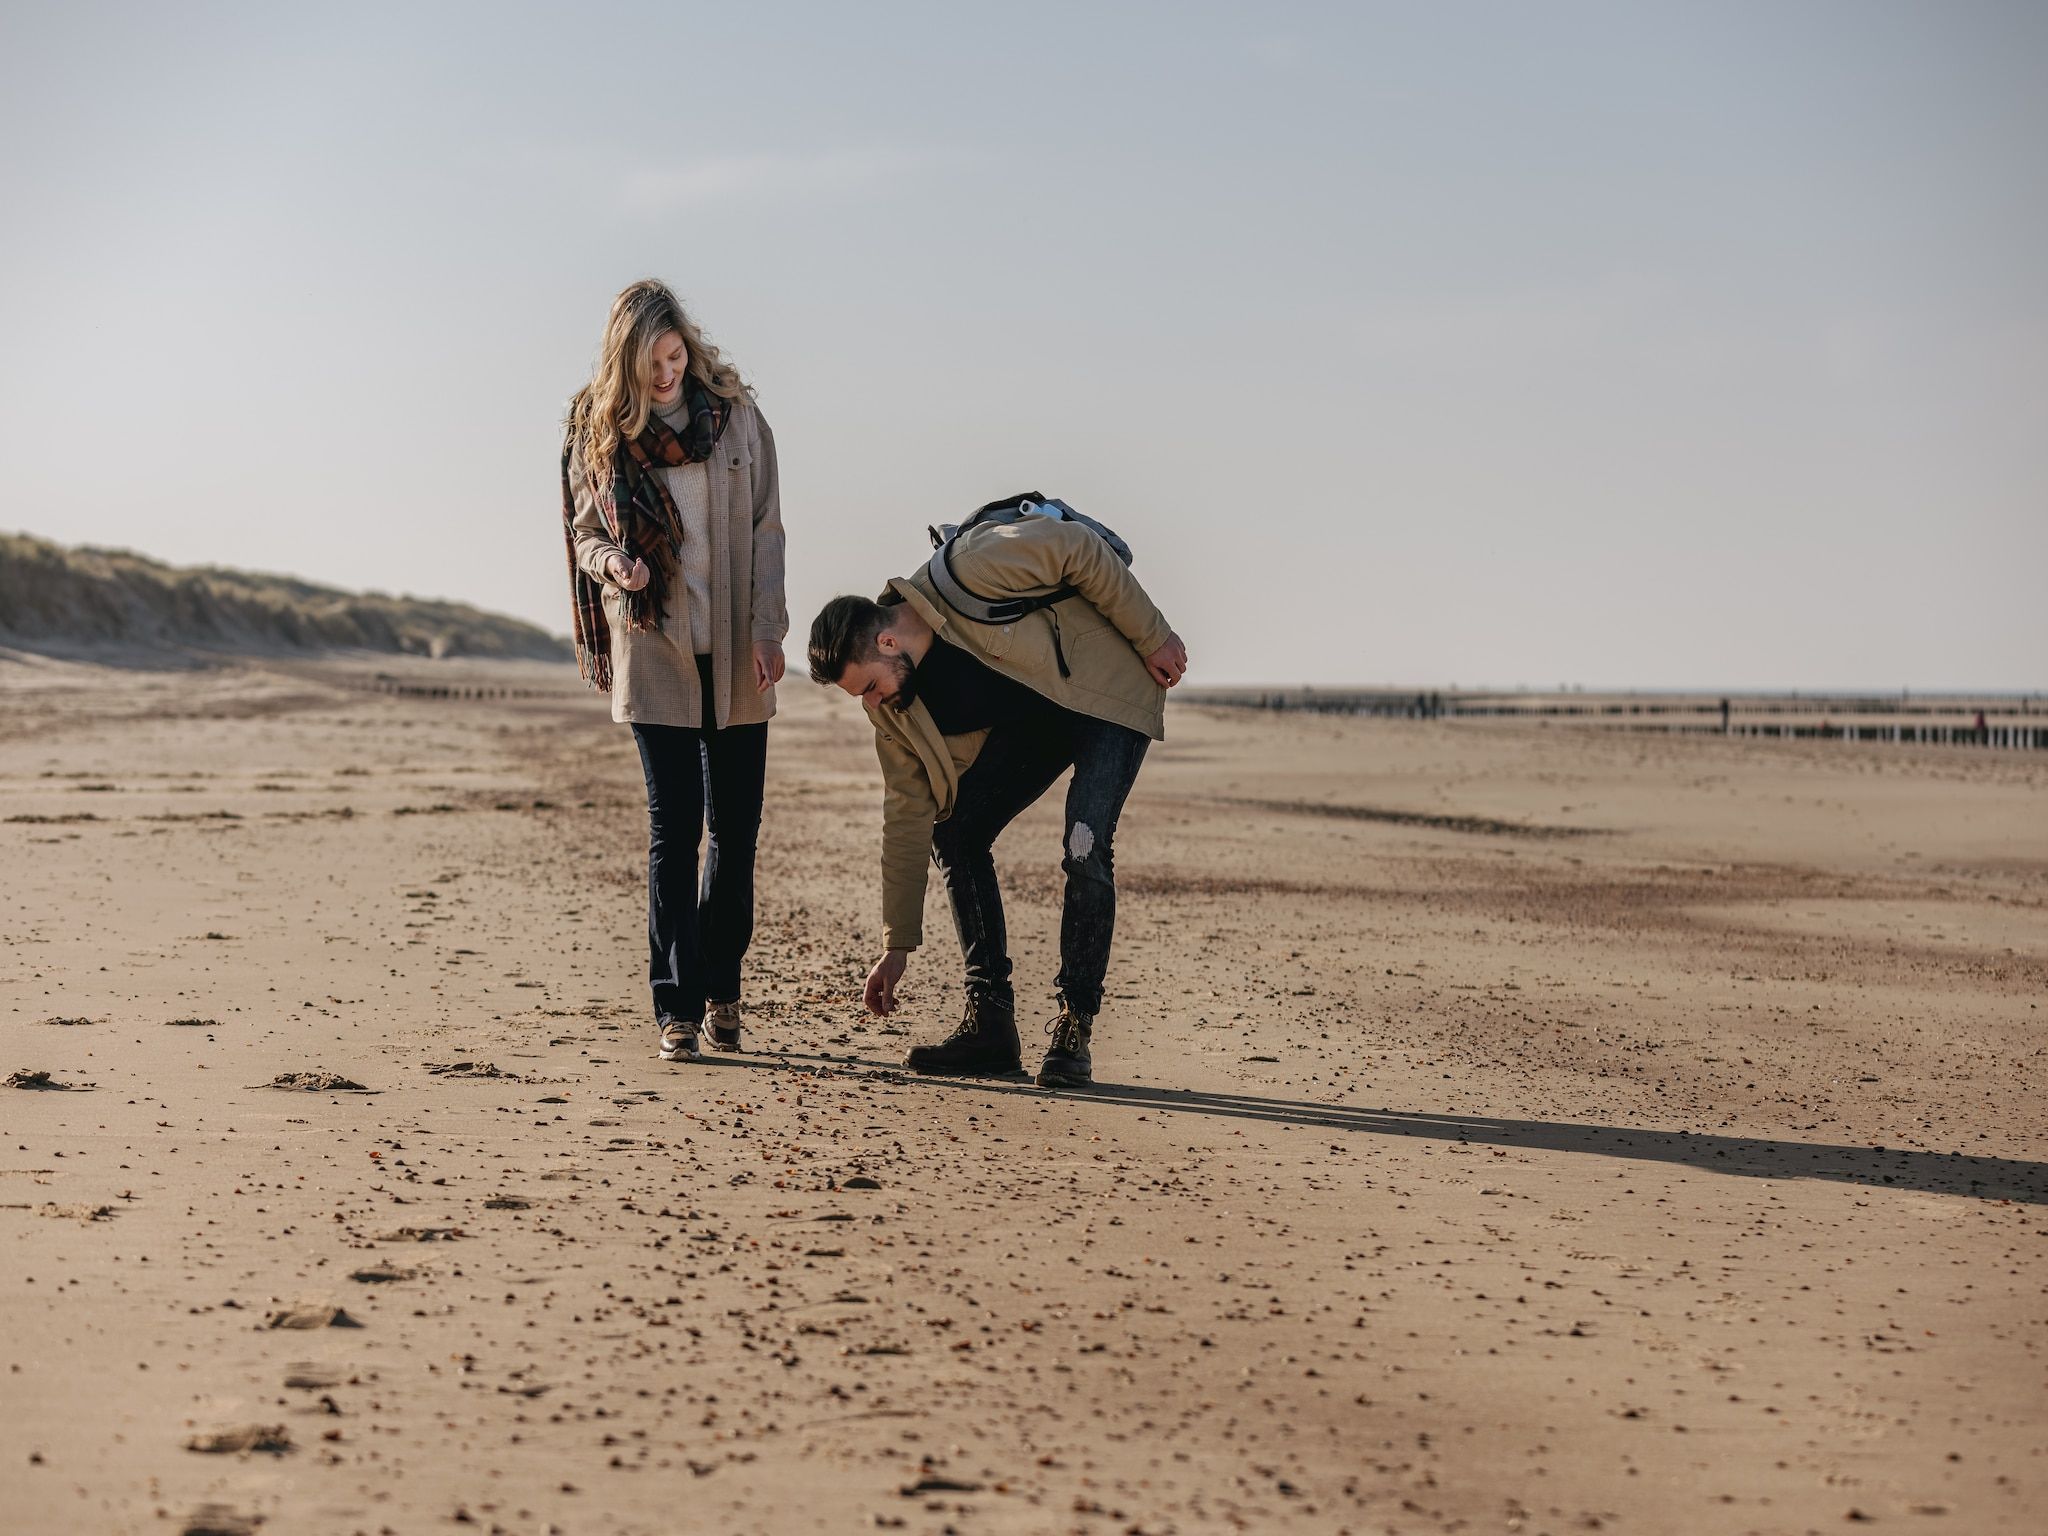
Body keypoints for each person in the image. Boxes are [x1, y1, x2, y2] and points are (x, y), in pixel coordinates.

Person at [806, 509, 1187, 1088]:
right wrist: (897, 944)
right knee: (956, 830)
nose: (874, 703)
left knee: (1084, 846)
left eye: (868, 686)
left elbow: (1075, 546)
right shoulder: (895, 710)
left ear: (887, 640)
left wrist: (1152, 633)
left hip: (1108, 691)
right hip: (1040, 723)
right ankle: (991, 1023)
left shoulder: (971, 567)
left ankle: (1074, 1023)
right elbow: (905, 815)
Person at [560, 279, 787, 1063]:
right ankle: (676, 1009)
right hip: (653, 648)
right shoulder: (605, 436)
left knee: (736, 832)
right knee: (674, 832)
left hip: (734, 652)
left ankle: (723, 987)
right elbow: (585, 532)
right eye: (651, 362)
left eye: (674, 354)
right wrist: (613, 562)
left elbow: (767, 531)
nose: (667, 374)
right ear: (624, 365)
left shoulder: (738, 419)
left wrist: (768, 630)